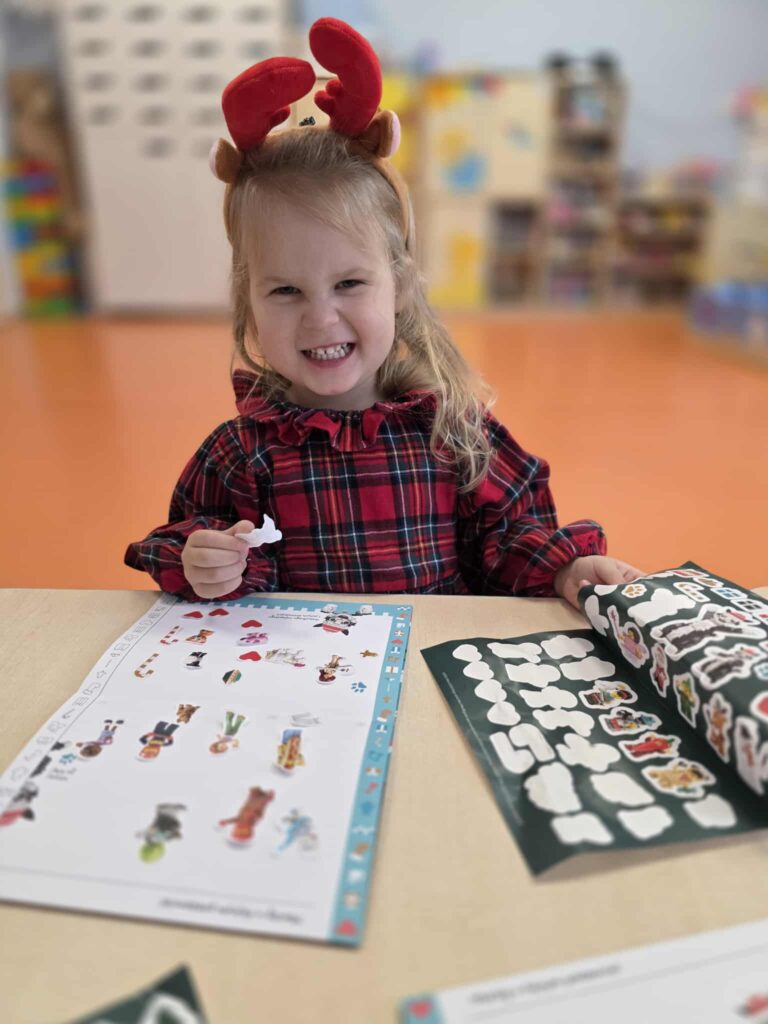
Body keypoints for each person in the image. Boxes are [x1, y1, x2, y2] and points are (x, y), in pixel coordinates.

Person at [125, 18, 642, 608]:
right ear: (249, 304)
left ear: (398, 286)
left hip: (431, 661)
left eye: (348, 283)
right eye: (286, 291)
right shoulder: (240, 454)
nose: (321, 319)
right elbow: (184, 541)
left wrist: (565, 568)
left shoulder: (454, 431)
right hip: (302, 666)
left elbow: (507, 540)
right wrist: (202, 560)